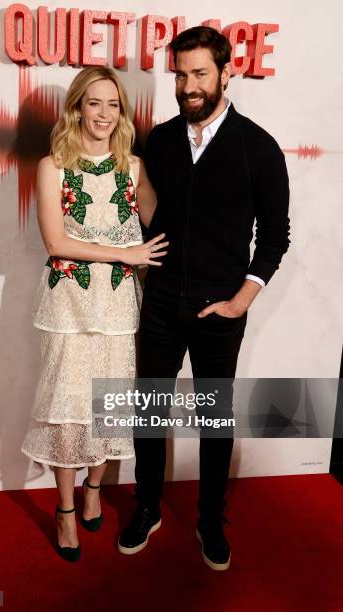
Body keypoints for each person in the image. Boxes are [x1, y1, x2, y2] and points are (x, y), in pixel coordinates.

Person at [118, 26, 290, 570]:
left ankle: (210, 519)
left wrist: (243, 298)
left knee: (215, 420)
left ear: (224, 73)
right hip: (163, 303)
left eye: (199, 74)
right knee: (149, 411)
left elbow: (276, 235)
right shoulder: (163, 139)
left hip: (220, 310)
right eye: (180, 74)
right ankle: (147, 506)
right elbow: (150, 208)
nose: (188, 85)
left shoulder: (258, 147)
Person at [21, 66, 167, 562]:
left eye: (113, 105)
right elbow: (56, 242)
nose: (104, 114)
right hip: (69, 304)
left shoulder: (134, 166)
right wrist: (124, 254)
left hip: (119, 305)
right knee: (68, 405)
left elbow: (163, 222)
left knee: (111, 402)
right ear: (77, 107)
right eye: (94, 103)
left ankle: (93, 490)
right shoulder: (53, 165)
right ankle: (65, 511)